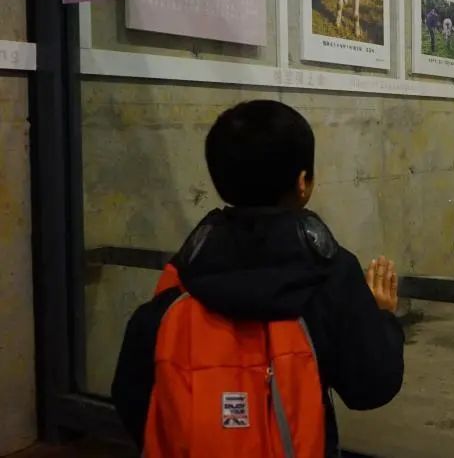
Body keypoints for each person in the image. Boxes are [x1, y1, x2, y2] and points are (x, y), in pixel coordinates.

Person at [111, 100, 405, 458]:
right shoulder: (330, 273)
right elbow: (371, 386)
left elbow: (131, 393)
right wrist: (382, 318)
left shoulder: (185, 274)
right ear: (302, 183)